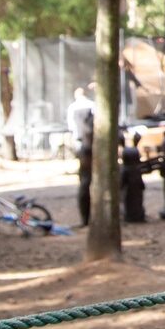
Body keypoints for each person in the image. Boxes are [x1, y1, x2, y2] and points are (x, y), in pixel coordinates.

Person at [67, 86, 96, 226]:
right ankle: (86, 219)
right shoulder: (92, 106)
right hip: (88, 148)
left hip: (84, 146)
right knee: (85, 184)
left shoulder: (74, 107)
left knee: (85, 183)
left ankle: (86, 219)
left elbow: (72, 126)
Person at [120, 132, 148, 223]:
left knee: (134, 202)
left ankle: (135, 215)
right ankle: (134, 215)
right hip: (133, 191)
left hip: (131, 191)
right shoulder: (134, 170)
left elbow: (122, 182)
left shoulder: (128, 169)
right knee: (134, 202)